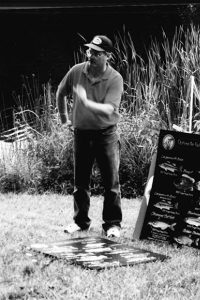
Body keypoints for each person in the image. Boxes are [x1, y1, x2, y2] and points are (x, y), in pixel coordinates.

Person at [56, 35, 124, 237]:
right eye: (89, 51)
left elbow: (110, 109)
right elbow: (61, 92)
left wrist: (86, 102)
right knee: (81, 182)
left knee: (111, 183)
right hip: (82, 135)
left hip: (106, 135)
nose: (90, 55)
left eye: (96, 53)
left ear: (107, 56)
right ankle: (80, 222)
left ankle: (112, 224)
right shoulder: (77, 71)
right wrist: (63, 119)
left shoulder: (115, 78)